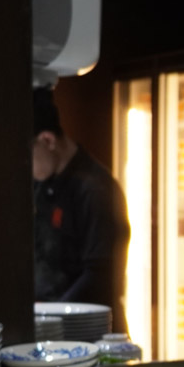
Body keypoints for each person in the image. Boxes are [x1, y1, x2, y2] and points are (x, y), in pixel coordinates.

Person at [32, 85, 131, 325]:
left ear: (47, 140)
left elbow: (100, 275)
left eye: (28, 157)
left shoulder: (95, 189)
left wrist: (50, 317)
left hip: (88, 328)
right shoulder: (44, 184)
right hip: (51, 322)